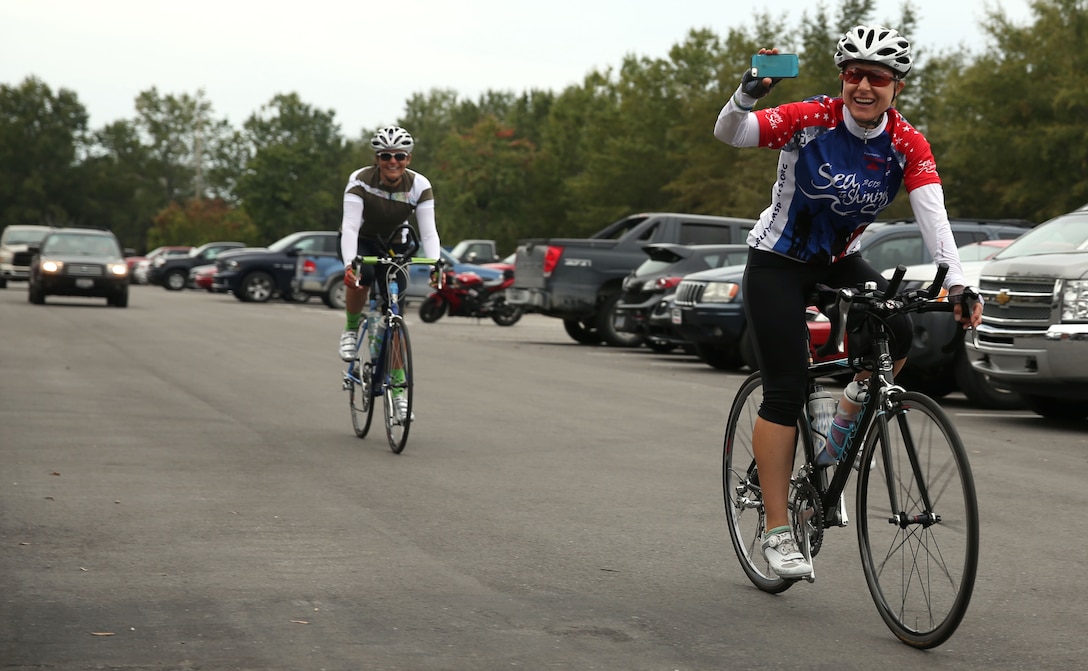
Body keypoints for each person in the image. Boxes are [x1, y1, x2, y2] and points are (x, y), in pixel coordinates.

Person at [713, 26, 982, 578]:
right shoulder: (809, 118)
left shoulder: (907, 143)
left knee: (899, 334)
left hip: (837, 260)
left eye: (877, 77)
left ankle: (841, 432)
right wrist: (748, 92)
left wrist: (956, 282)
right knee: (785, 387)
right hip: (778, 261)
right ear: (842, 79)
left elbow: (934, 216)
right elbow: (733, 133)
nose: (863, 85)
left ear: (896, 87)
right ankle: (777, 529)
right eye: (853, 74)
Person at [337, 125, 441, 423]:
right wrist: (348, 265)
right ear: (377, 158)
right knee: (362, 277)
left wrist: (435, 264)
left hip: (396, 244)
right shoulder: (360, 180)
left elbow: (430, 232)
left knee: (395, 314)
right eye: (386, 156)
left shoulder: (420, 185)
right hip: (362, 241)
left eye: (399, 156)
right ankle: (351, 327)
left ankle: (398, 394)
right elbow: (351, 227)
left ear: (408, 158)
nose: (392, 161)